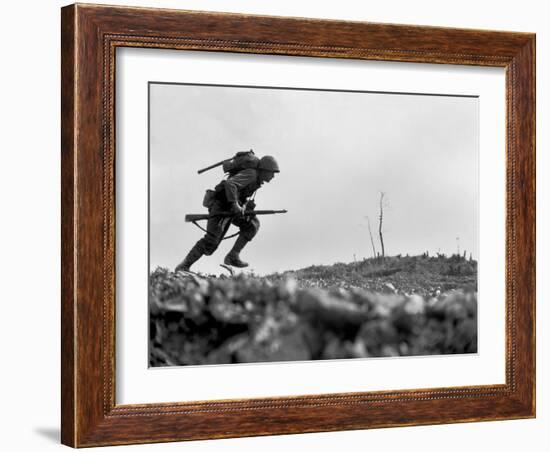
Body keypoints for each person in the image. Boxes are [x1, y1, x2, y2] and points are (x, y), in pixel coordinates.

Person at [175, 155, 280, 272]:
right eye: (272, 172)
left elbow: (240, 193)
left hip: (231, 208)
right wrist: (235, 205)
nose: (273, 176)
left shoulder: (257, 180)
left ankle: (233, 256)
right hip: (221, 205)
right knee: (211, 242)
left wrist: (244, 206)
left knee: (252, 224)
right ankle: (183, 266)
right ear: (264, 170)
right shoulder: (252, 174)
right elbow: (230, 184)